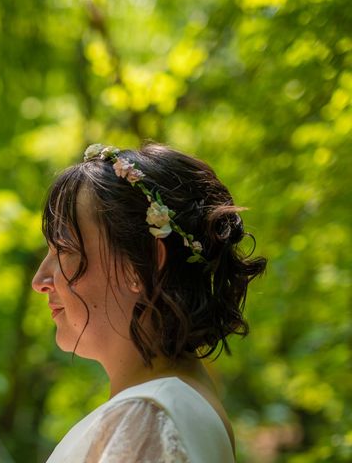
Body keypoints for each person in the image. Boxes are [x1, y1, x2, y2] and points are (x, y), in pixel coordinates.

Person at [32, 143, 266, 462]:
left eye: (64, 249)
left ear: (142, 264)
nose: (40, 281)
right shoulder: (180, 405)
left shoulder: (149, 414)